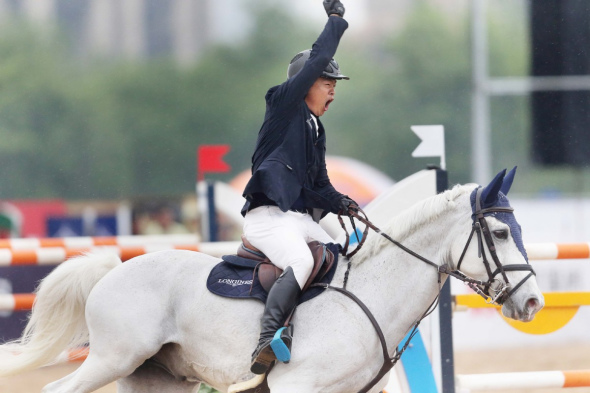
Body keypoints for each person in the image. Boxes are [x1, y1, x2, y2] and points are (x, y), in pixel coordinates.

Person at [241, 0, 358, 375]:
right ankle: (267, 338)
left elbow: (318, 185)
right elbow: (320, 53)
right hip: (268, 218)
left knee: (341, 255)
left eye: (334, 85)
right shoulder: (284, 103)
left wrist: (342, 203)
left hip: (295, 219)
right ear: (305, 84)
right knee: (302, 261)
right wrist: (336, 20)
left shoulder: (315, 128)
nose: (333, 92)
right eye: (327, 84)